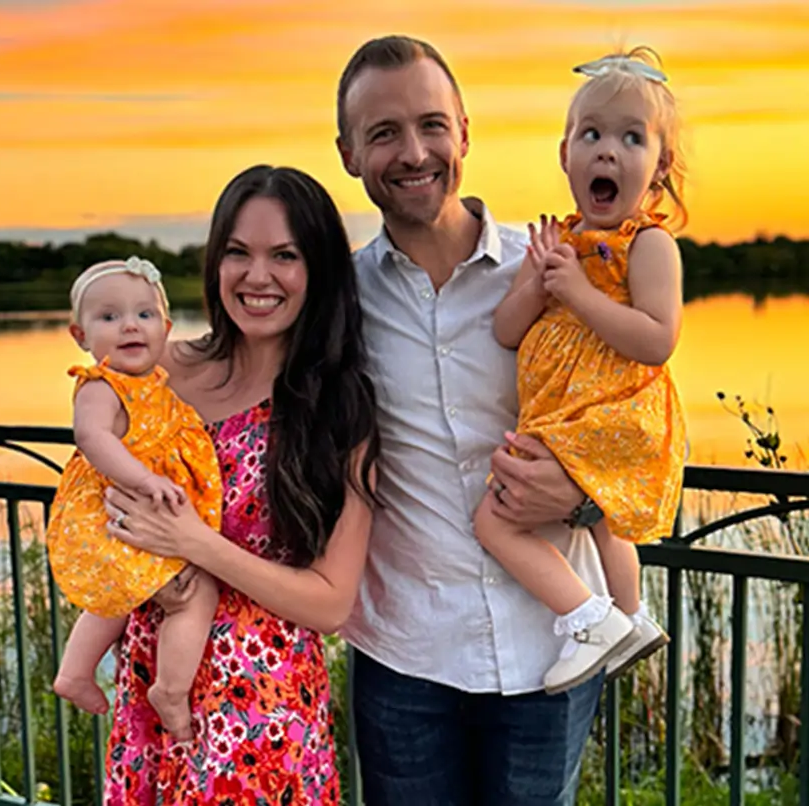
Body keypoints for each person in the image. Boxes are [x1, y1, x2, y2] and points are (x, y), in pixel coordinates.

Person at [336, 35, 609, 806]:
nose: (413, 151)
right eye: (383, 132)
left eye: (430, 124)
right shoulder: (337, 302)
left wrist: (584, 499)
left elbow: (643, 432)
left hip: (549, 655)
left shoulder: (556, 274)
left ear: (464, 131)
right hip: (404, 659)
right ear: (349, 152)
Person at [98, 165, 379, 805]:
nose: (258, 277)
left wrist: (195, 542)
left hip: (262, 716)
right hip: (153, 695)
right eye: (238, 253)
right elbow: (97, 496)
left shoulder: (340, 409)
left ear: (319, 271)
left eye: (285, 255)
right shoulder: (159, 373)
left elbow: (331, 603)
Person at [473, 47, 687, 696]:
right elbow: (506, 332)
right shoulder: (558, 248)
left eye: (631, 137)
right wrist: (538, 285)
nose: (607, 152)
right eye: (591, 134)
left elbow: (657, 339)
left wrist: (579, 294)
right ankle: (631, 615)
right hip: (568, 417)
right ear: (564, 154)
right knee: (599, 517)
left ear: (658, 167)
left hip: (613, 414)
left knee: (492, 520)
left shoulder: (648, 246)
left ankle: (588, 617)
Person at [47, 256, 222, 741]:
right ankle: (170, 690)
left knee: (120, 594)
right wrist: (146, 480)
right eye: (109, 317)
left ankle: (76, 671)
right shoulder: (101, 386)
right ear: (80, 335)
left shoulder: (155, 384)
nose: (129, 325)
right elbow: (92, 439)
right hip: (121, 507)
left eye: (144, 315)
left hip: (139, 514)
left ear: (165, 328)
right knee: (196, 593)